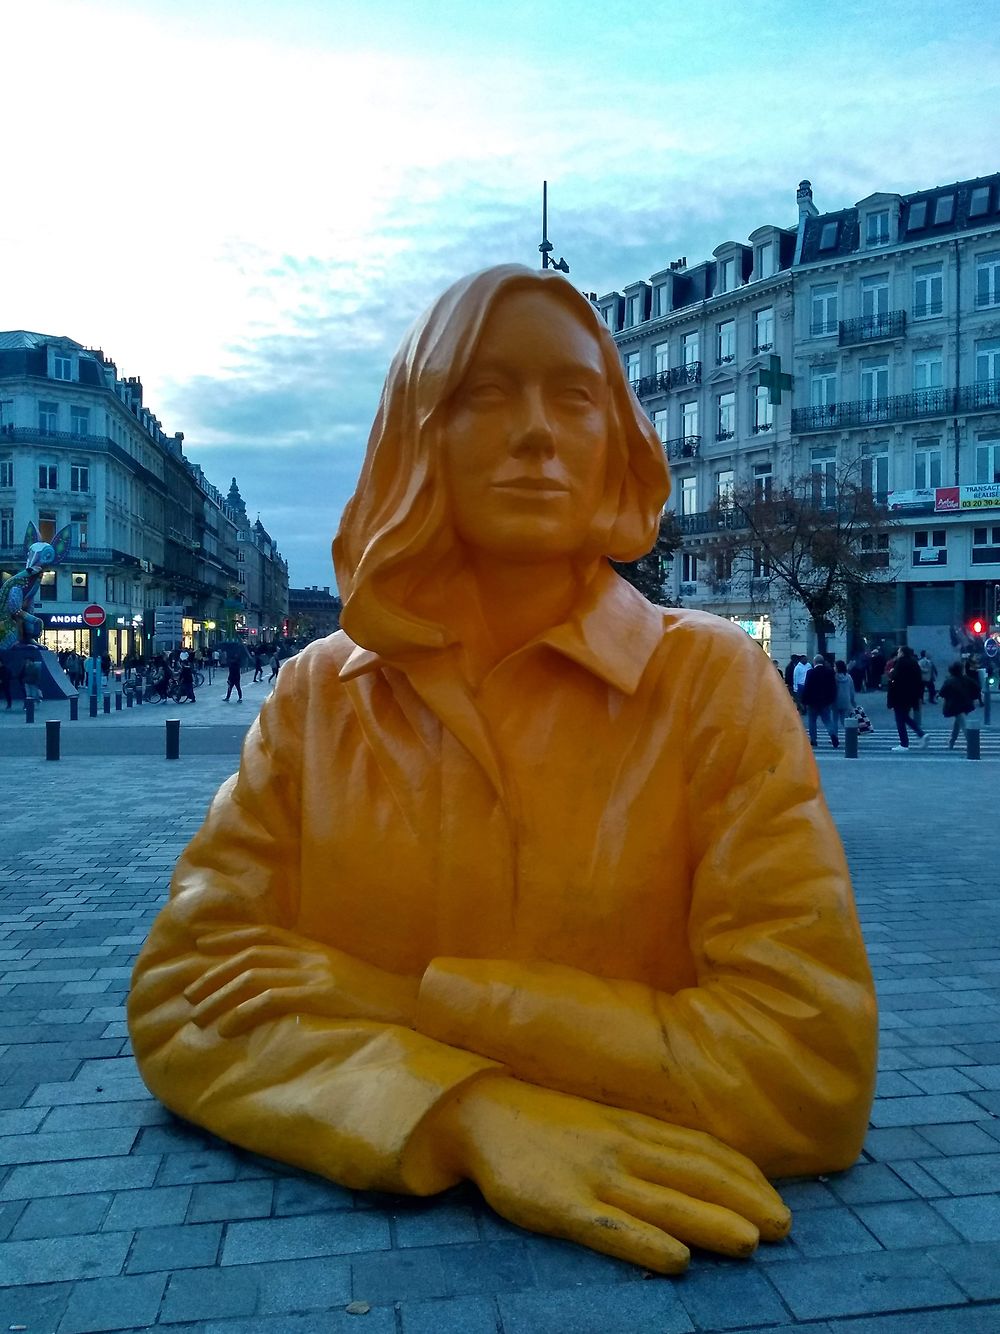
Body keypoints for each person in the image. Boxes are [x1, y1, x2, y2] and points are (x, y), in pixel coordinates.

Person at [129, 265, 876, 1276]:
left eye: (574, 396)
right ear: (418, 433)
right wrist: (467, 1111)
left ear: (613, 437)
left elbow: (805, 1070)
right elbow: (184, 995)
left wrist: (403, 997)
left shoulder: (709, 684)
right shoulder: (321, 696)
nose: (537, 431)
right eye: (486, 394)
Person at [887, 645, 928, 751]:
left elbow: (895, 679)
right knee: (905, 717)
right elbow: (919, 680)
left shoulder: (900, 663)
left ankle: (904, 743)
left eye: (899, 651)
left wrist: (891, 673)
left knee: (900, 719)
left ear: (902, 653)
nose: (898, 653)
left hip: (900, 695)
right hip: (911, 696)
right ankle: (920, 734)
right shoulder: (914, 663)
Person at [801, 653, 839, 748]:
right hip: (825, 702)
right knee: (827, 720)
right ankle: (833, 735)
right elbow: (833, 688)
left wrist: (804, 701)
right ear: (823, 662)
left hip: (812, 702)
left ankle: (813, 740)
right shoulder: (830, 672)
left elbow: (807, 687)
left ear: (814, 662)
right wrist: (831, 699)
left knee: (812, 721)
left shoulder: (810, 672)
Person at [940, 661, 976, 749]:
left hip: (954, 705)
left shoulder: (949, 681)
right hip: (966, 704)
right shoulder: (967, 679)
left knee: (962, 724)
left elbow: (942, 692)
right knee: (959, 723)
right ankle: (952, 742)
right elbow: (977, 688)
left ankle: (971, 744)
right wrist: (972, 696)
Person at [834, 660, 856, 732]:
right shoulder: (849, 677)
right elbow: (852, 690)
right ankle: (848, 735)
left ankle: (835, 736)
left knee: (834, 720)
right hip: (846, 700)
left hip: (835, 701)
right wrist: (853, 701)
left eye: (835, 666)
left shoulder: (834, 677)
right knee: (845, 720)